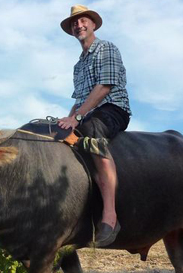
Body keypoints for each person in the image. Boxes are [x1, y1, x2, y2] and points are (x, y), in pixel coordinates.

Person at [58, 5, 132, 247]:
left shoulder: (107, 48)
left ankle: (110, 215)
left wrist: (77, 118)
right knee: (57, 138)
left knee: (91, 130)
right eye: (74, 23)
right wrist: (65, 122)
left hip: (113, 109)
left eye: (82, 21)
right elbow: (79, 101)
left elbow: (105, 87)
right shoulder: (78, 66)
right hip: (87, 112)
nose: (78, 25)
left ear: (93, 24)